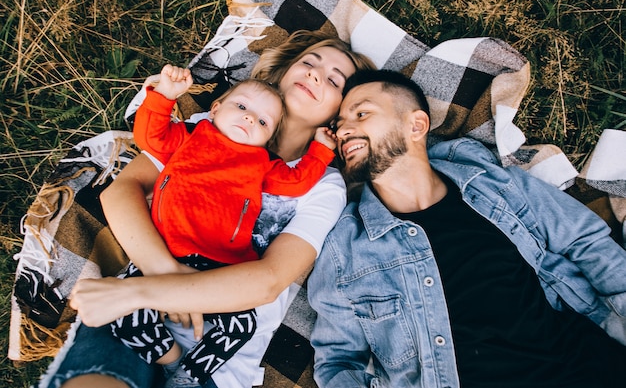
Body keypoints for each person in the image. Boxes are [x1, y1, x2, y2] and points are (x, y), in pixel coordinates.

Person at [35, 30, 375, 388]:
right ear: (286, 70)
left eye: (335, 80)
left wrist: (147, 291)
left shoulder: (323, 184)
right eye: (309, 62)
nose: (317, 74)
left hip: (216, 359)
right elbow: (121, 192)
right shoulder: (207, 130)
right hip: (131, 308)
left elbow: (269, 280)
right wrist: (164, 276)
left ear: (340, 112)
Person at [308, 69, 626, 388]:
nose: (343, 130)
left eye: (361, 113)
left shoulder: (496, 185)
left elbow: (589, 245)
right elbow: (337, 363)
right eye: (338, 125)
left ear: (416, 125)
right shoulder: (344, 249)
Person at [109, 64, 338, 387]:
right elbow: (149, 137)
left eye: (261, 122)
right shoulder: (191, 135)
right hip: (166, 249)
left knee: (241, 325)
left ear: (268, 138)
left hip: (219, 266)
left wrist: (320, 151)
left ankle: (192, 373)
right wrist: (164, 97)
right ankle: (173, 360)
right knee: (124, 311)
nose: (248, 118)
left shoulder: (261, 163)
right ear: (215, 108)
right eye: (242, 107)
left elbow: (296, 183)